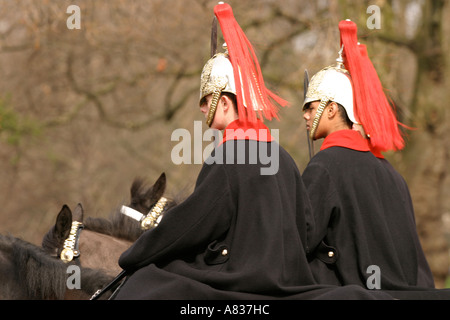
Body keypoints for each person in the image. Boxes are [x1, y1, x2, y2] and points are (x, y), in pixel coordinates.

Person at [110, 3, 391, 300]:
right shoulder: (282, 156)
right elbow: (306, 231)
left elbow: (193, 225)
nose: (202, 108)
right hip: (293, 280)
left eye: (206, 100)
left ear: (226, 103)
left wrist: (135, 254)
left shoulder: (229, 156)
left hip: (242, 280)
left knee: (147, 282)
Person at [301, 20, 450, 299]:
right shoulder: (391, 173)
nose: (305, 115)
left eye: (310, 107)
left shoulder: (324, 166)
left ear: (332, 109)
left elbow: (299, 242)